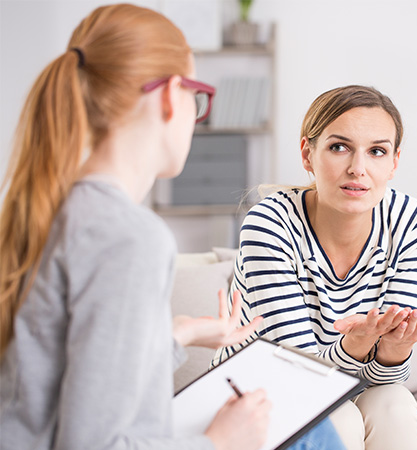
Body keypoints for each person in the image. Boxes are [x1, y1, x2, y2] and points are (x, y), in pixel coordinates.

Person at [0, 4, 344, 450]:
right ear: (170, 95)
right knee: (309, 432)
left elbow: (74, 378)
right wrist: (221, 443)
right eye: (198, 97)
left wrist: (180, 333)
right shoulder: (127, 236)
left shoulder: (52, 208)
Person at [211, 85, 417, 449]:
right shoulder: (270, 223)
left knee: (394, 406)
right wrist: (357, 344)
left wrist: (396, 348)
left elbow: (386, 377)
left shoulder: (412, 222)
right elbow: (300, 375)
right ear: (307, 153)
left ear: (393, 162)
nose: (357, 169)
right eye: (339, 147)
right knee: (339, 418)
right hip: (255, 389)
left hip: (345, 380)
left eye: (377, 151)